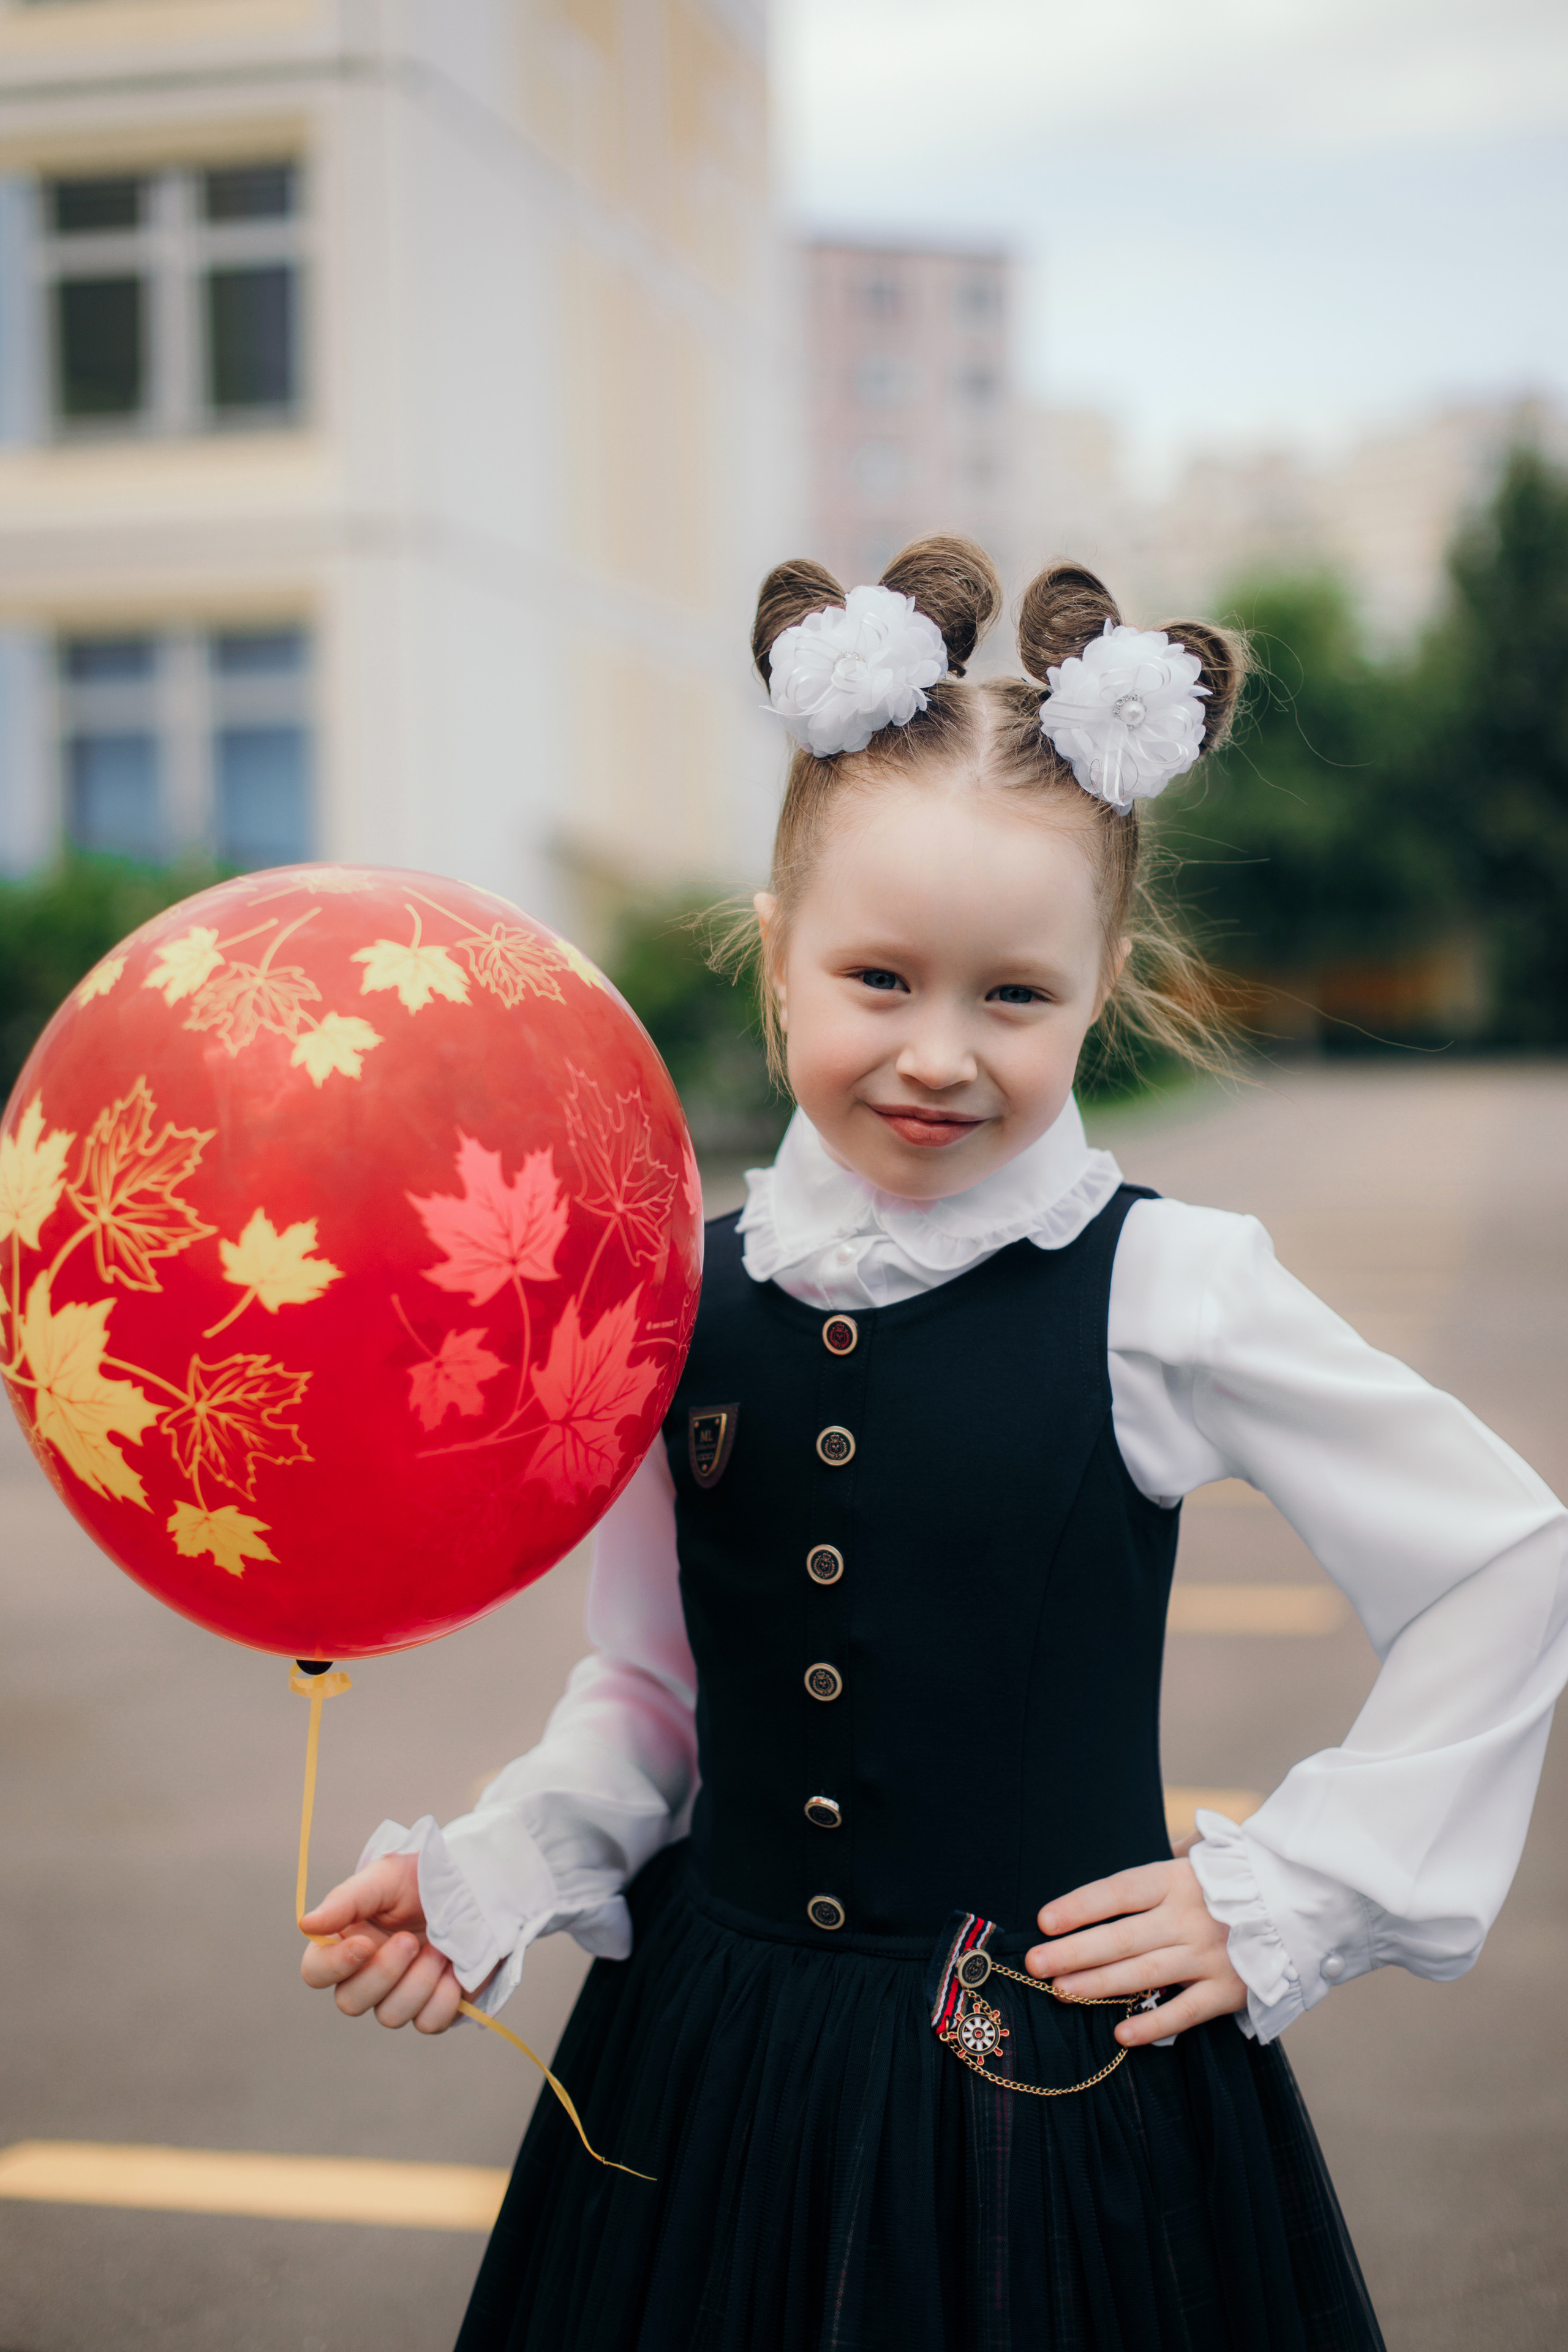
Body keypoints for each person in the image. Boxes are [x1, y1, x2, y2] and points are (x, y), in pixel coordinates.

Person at [300, 539, 1568, 2352]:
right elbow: (658, 1701)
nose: (938, 1057)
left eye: (1014, 997)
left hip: (1050, 2087)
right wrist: (495, 1865)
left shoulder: (1169, 1290)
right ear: (780, 945)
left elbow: (1504, 1556)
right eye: (881, 980)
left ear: (1104, 979)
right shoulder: (683, 1289)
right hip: (710, 2074)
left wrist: (1293, 1890)